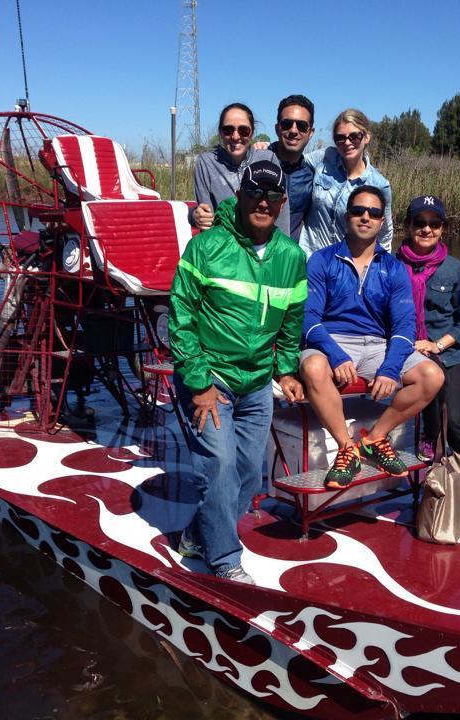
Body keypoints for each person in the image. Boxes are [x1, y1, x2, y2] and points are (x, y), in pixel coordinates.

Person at [168, 160, 307, 584]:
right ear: (241, 196)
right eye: (254, 193)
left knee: (249, 475)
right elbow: (180, 318)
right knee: (220, 466)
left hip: (257, 383)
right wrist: (199, 384)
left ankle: (196, 534)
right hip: (211, 379)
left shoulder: (291, 257)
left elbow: (290, 323)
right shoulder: (206, 247)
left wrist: (285, 371)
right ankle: (225, 560)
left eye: (271, 195)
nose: (262, 201)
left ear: (283, 202)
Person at [300, 186, 444, 489]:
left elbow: (404, 326)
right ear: (346, 217)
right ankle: (346, 448)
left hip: (377, 345)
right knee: (313, 367)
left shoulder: (393, 268)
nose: (365, 217)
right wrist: (336, 355)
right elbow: (309, 320)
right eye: (358, 211)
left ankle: (375, 438)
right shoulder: (321, 261)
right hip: (330, 341)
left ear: (382, 222)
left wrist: (391, 368)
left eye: (374, 213)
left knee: (432, 376)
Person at [397, 195, 460, 530]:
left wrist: (436, 344)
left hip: (449, 356)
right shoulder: (394, 264)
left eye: (433, 223)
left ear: (442, 228)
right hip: (410, 356)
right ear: (407, 226)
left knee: (457, 425)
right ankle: (430, 456)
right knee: (427, 426)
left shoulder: (453, 268)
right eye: (419, 222)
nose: (426, 229)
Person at [298, 109, 393, 257]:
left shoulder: (379, 184)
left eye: (354, 136)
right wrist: (267, 149)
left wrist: (379, 268)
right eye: (340, 138)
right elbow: (294, 159)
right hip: (309, 257)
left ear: (366, 137)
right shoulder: (325, 157)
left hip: (345, 265)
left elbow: (385, 234)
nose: (347, 143)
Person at [191, 102, 290, 235]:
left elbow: (280, 209)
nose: (236, 137)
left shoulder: (268, 158)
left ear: (252, 132)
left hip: (262, 244)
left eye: (243, 130)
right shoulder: (206, 163)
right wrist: (194, 215)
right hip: (225, 245)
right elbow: (206, 218)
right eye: (228, 130)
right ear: (220, 132)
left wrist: (282, 247)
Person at [268, 94, 316, 241]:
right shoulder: (256, 163)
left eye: (302, 126)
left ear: (311, 133)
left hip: (289, 259)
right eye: (287, 124)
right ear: (277, 128)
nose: (294, 130)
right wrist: (194, 213)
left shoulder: (313, 176)